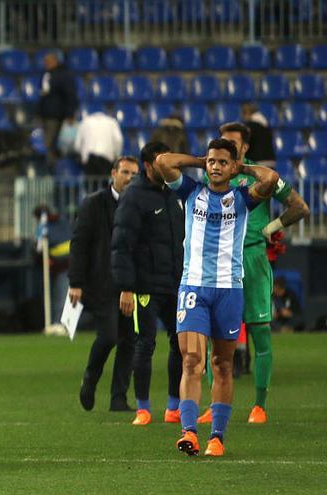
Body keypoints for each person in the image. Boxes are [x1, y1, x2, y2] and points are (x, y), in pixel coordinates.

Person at [154, 139, 279, 457]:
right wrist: (200, 160)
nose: (215, 166)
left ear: (233, 167)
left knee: (222, 364)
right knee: (192, 361)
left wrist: (243, 168)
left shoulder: (242, 198)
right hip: (194, 288)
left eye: (223, 162)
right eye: (212, 161)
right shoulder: (191, 192)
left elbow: (271, 179)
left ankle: (217, 438)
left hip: (229, 290)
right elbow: (163, 161)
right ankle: (189, 432)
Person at [197, 122, 309, 425]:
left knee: (259, 331)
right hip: (218, 263)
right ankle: (213, 404)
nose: (227, 151)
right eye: (223, 145)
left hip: (253, 259)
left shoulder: (260, 176)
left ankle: (259, 405)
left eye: (233, 144)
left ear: (244, 148)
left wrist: (271, 228)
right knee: (214, 339)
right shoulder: (213, 175)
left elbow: (300, 207)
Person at [111, 141, 185, 426]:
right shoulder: (134, 197)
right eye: (162, 161)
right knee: (145, 344)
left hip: (175, 284)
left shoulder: (175, 193)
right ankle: (143, 408)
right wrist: (126, 287)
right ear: (148, 165)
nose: (169, 166)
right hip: (144, 287)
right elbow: (121, 245)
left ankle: (173, 407)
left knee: (180, 344)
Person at [72, 156, 139, 412]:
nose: (129, 177)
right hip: (100, 283)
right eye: (125, 172)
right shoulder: (93, 204)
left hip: (131, 284)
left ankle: (118, 398)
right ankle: (90, 378)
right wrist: (76, 282)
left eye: (134, 173)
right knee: (109, 336)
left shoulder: (138, 205)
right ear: (113, 173)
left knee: (129, 340)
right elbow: (79, 244)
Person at [36, 52, 78, 168]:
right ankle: (50, 167)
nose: (46, 64)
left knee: (50, 143)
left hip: (56, 115)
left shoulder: (64, 75)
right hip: (45, 114)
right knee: (47, 143)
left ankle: (53, 168)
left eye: (48, 61)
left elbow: (71, 95)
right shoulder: (46, 74)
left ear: (55, 61)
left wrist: (70, 113)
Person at [73, 111, 123, 175]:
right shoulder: (112, 122)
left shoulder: (85, 122)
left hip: (89, 159)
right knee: (103, 183)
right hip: (106, 159)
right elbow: (118, 140)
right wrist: (116, 156)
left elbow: (77, 145)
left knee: (91, 183)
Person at [241, 103, 276, 168]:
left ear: (247, 113)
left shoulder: (250, 126)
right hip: (270, 161)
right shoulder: (265, 125)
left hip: (257, 161)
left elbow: (245, 143)